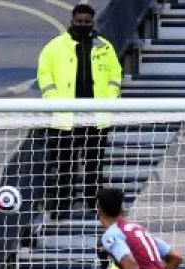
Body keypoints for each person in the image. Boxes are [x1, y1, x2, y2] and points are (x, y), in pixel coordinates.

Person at [37, 3, 122, 217]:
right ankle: (62, 206)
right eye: (79, 21)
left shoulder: (104, 47)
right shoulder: (55, 47)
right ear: (72, 21)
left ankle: (93, 205)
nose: (83, 24)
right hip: (66, 117)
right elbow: (44, 74)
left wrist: (110, 99)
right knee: (65, 164)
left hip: (96, 117)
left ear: (93, 22)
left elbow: (115, 74)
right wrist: (53, 99)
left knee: (94, 163)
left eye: (87, 22)